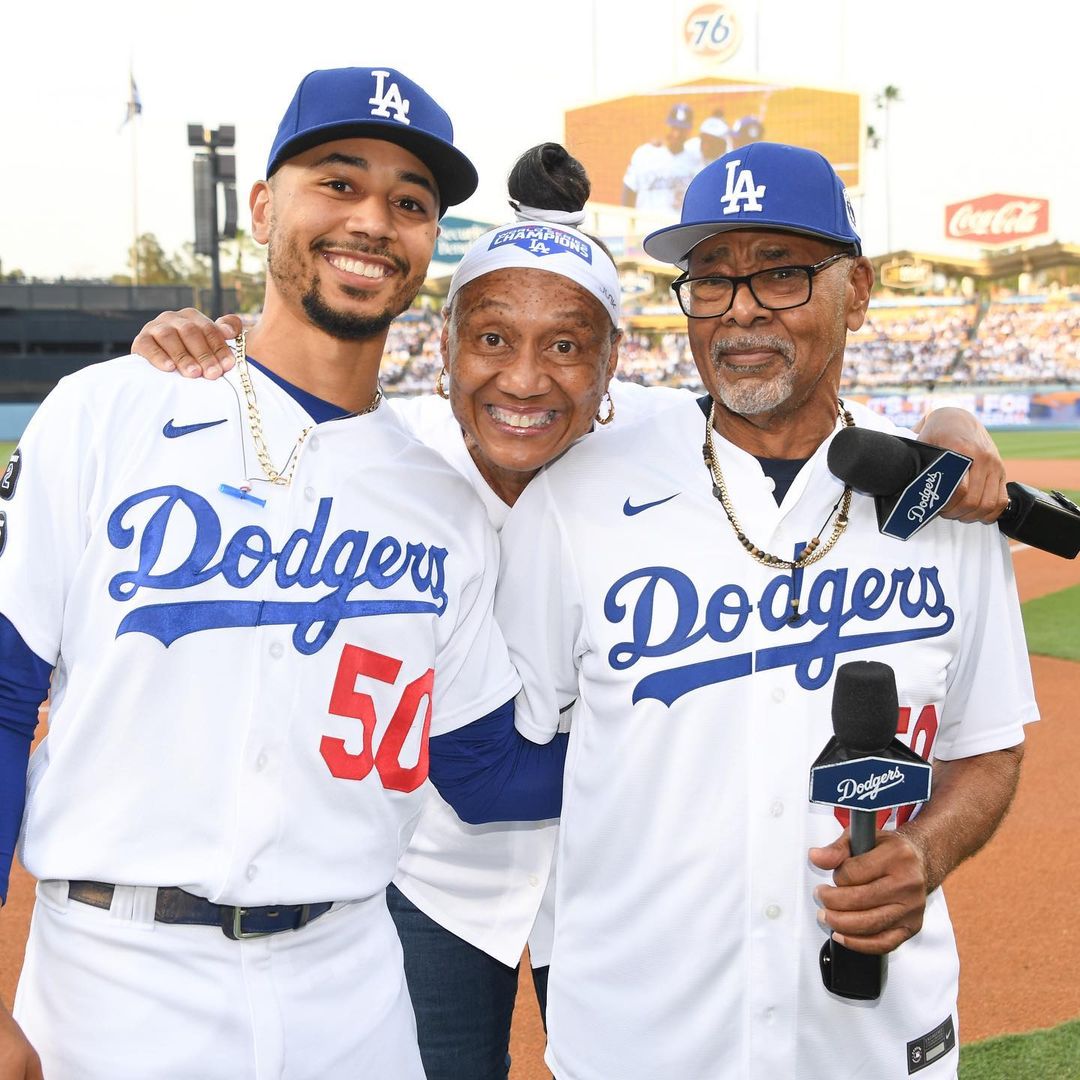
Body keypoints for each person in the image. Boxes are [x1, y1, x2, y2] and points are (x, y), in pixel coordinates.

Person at [132, 145, 1010, 1080]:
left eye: (566, 348)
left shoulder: (638, 430)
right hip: (440, 872)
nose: (524, 380)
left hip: (610, 886)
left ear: (610, 373)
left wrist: (952, 422)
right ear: (446, 352)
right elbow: (279, 402)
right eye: (493, 341)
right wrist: (204, 344)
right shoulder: (394, 450)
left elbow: (798, 402)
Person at [0, 66, 554, 1080]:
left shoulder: (441, 503)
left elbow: (483, 772)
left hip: (350, 986)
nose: (374, 220)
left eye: (410, 202)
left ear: (431, 243)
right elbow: (2, 689)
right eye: (337, 183)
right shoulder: (108, 411)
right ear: (263, 208)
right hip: (114, 982)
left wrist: (721, 738)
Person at [494, 142, 1036, 1079]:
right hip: (639, 1039)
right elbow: (518, 745)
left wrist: (926, 853)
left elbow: (989, 747)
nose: (741, 308)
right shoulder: (576, 498)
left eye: (781, 274)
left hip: (869, 1040)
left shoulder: (942, 509)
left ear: (857, 294)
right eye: (711, 277)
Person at [621, 102, 700, 215]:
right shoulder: (644, 154)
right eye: (674, 127)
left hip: (675, 229)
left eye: (681, 130)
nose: (676, 134)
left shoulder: (694, 162)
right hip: (644, 226)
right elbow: (628, 192)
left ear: (689, 131)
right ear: (667, 125)